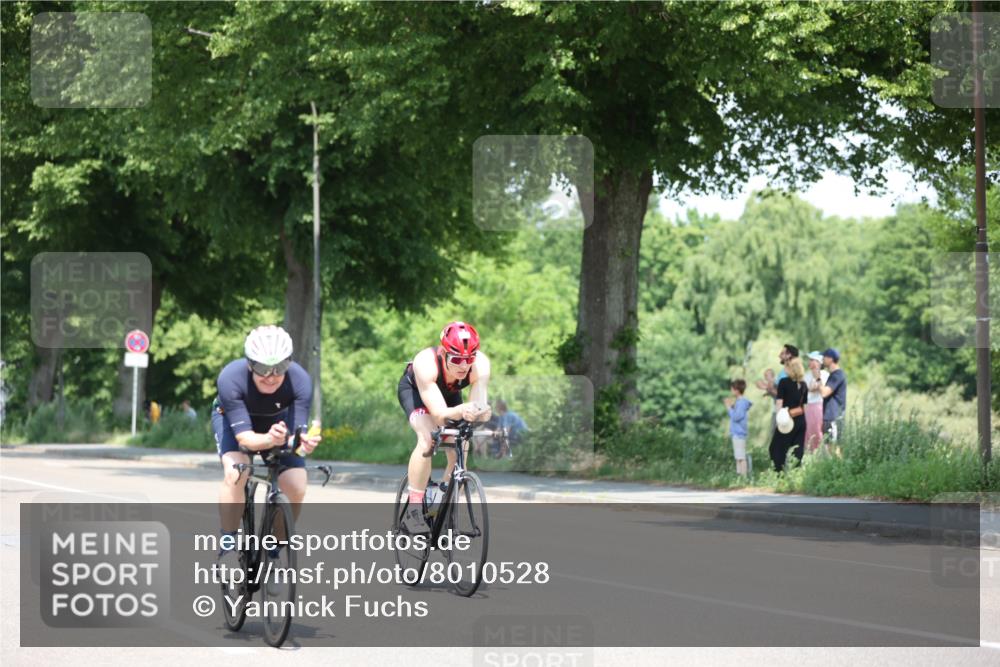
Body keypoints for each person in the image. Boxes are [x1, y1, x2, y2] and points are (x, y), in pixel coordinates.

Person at [213, 325, 321, 569]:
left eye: (280, 367)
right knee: (236, 472)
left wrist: (303, 443)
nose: (271, 376)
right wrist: (271, 440)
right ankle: (228, 544)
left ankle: (275, 550)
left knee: (296, 483)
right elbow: (246, 439)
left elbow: (296, 436)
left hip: (276, 422)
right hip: (234, 423)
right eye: (262, 368)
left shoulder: (300, 380)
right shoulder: (230, 378)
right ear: (250, 364)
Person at [397, 321, 491, 533]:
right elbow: (439, 415)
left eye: (469, 359)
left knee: (461, 445)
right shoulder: (426, 362)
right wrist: (463, 410)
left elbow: (477, 406)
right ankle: (414, 509)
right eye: (457, 359)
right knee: (428, 437)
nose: (463, 366)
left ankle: (442, 502)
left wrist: (481, 412)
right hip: (416, 393)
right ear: (442, 352)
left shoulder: (481, 365)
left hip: (449, 395)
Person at [769, 357, 808, 472]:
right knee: (797, 449)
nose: (785, 368)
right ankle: (796, 473)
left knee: (776, 447)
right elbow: (804, 406)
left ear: (791, 369)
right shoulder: (804, 385)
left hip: (787, 420)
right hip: (800, 420)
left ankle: (778, 474)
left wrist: (779, 419)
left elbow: (779, 403)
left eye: (787, 366)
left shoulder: (783, 382)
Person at [723, 379, 752, 476]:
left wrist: (728, 407)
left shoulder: (741, 403)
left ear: (736, 390)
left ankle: (743, 476)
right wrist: (732, 406)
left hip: (739, 433)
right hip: (736, 433)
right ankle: (739, 476)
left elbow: (736, 417)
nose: (731, 391)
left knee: (741, 457)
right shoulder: (739, 402)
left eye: (732, 389)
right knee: (737, 456)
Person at [820, 347, 847, 443]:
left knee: (834, 449)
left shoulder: (837, 375)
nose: (822, 359)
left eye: (824, 357)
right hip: (830, 417)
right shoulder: (833, 375)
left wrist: (818, 379)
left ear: (831, 359)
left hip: (834, 417)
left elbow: (824, 393)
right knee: (828, 448)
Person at [804, 351, 829, 452]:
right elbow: (808, 389)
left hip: (820, 405)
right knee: (809, 432)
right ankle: (810, 455)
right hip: (809, 406)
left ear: (818, 362)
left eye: (812, 360)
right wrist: (815, 386)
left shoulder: (825, 375)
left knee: (819, 432)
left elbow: (820, 388)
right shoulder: (806, 375)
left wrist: (816, 381)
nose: (809, 362)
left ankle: (822, 454)